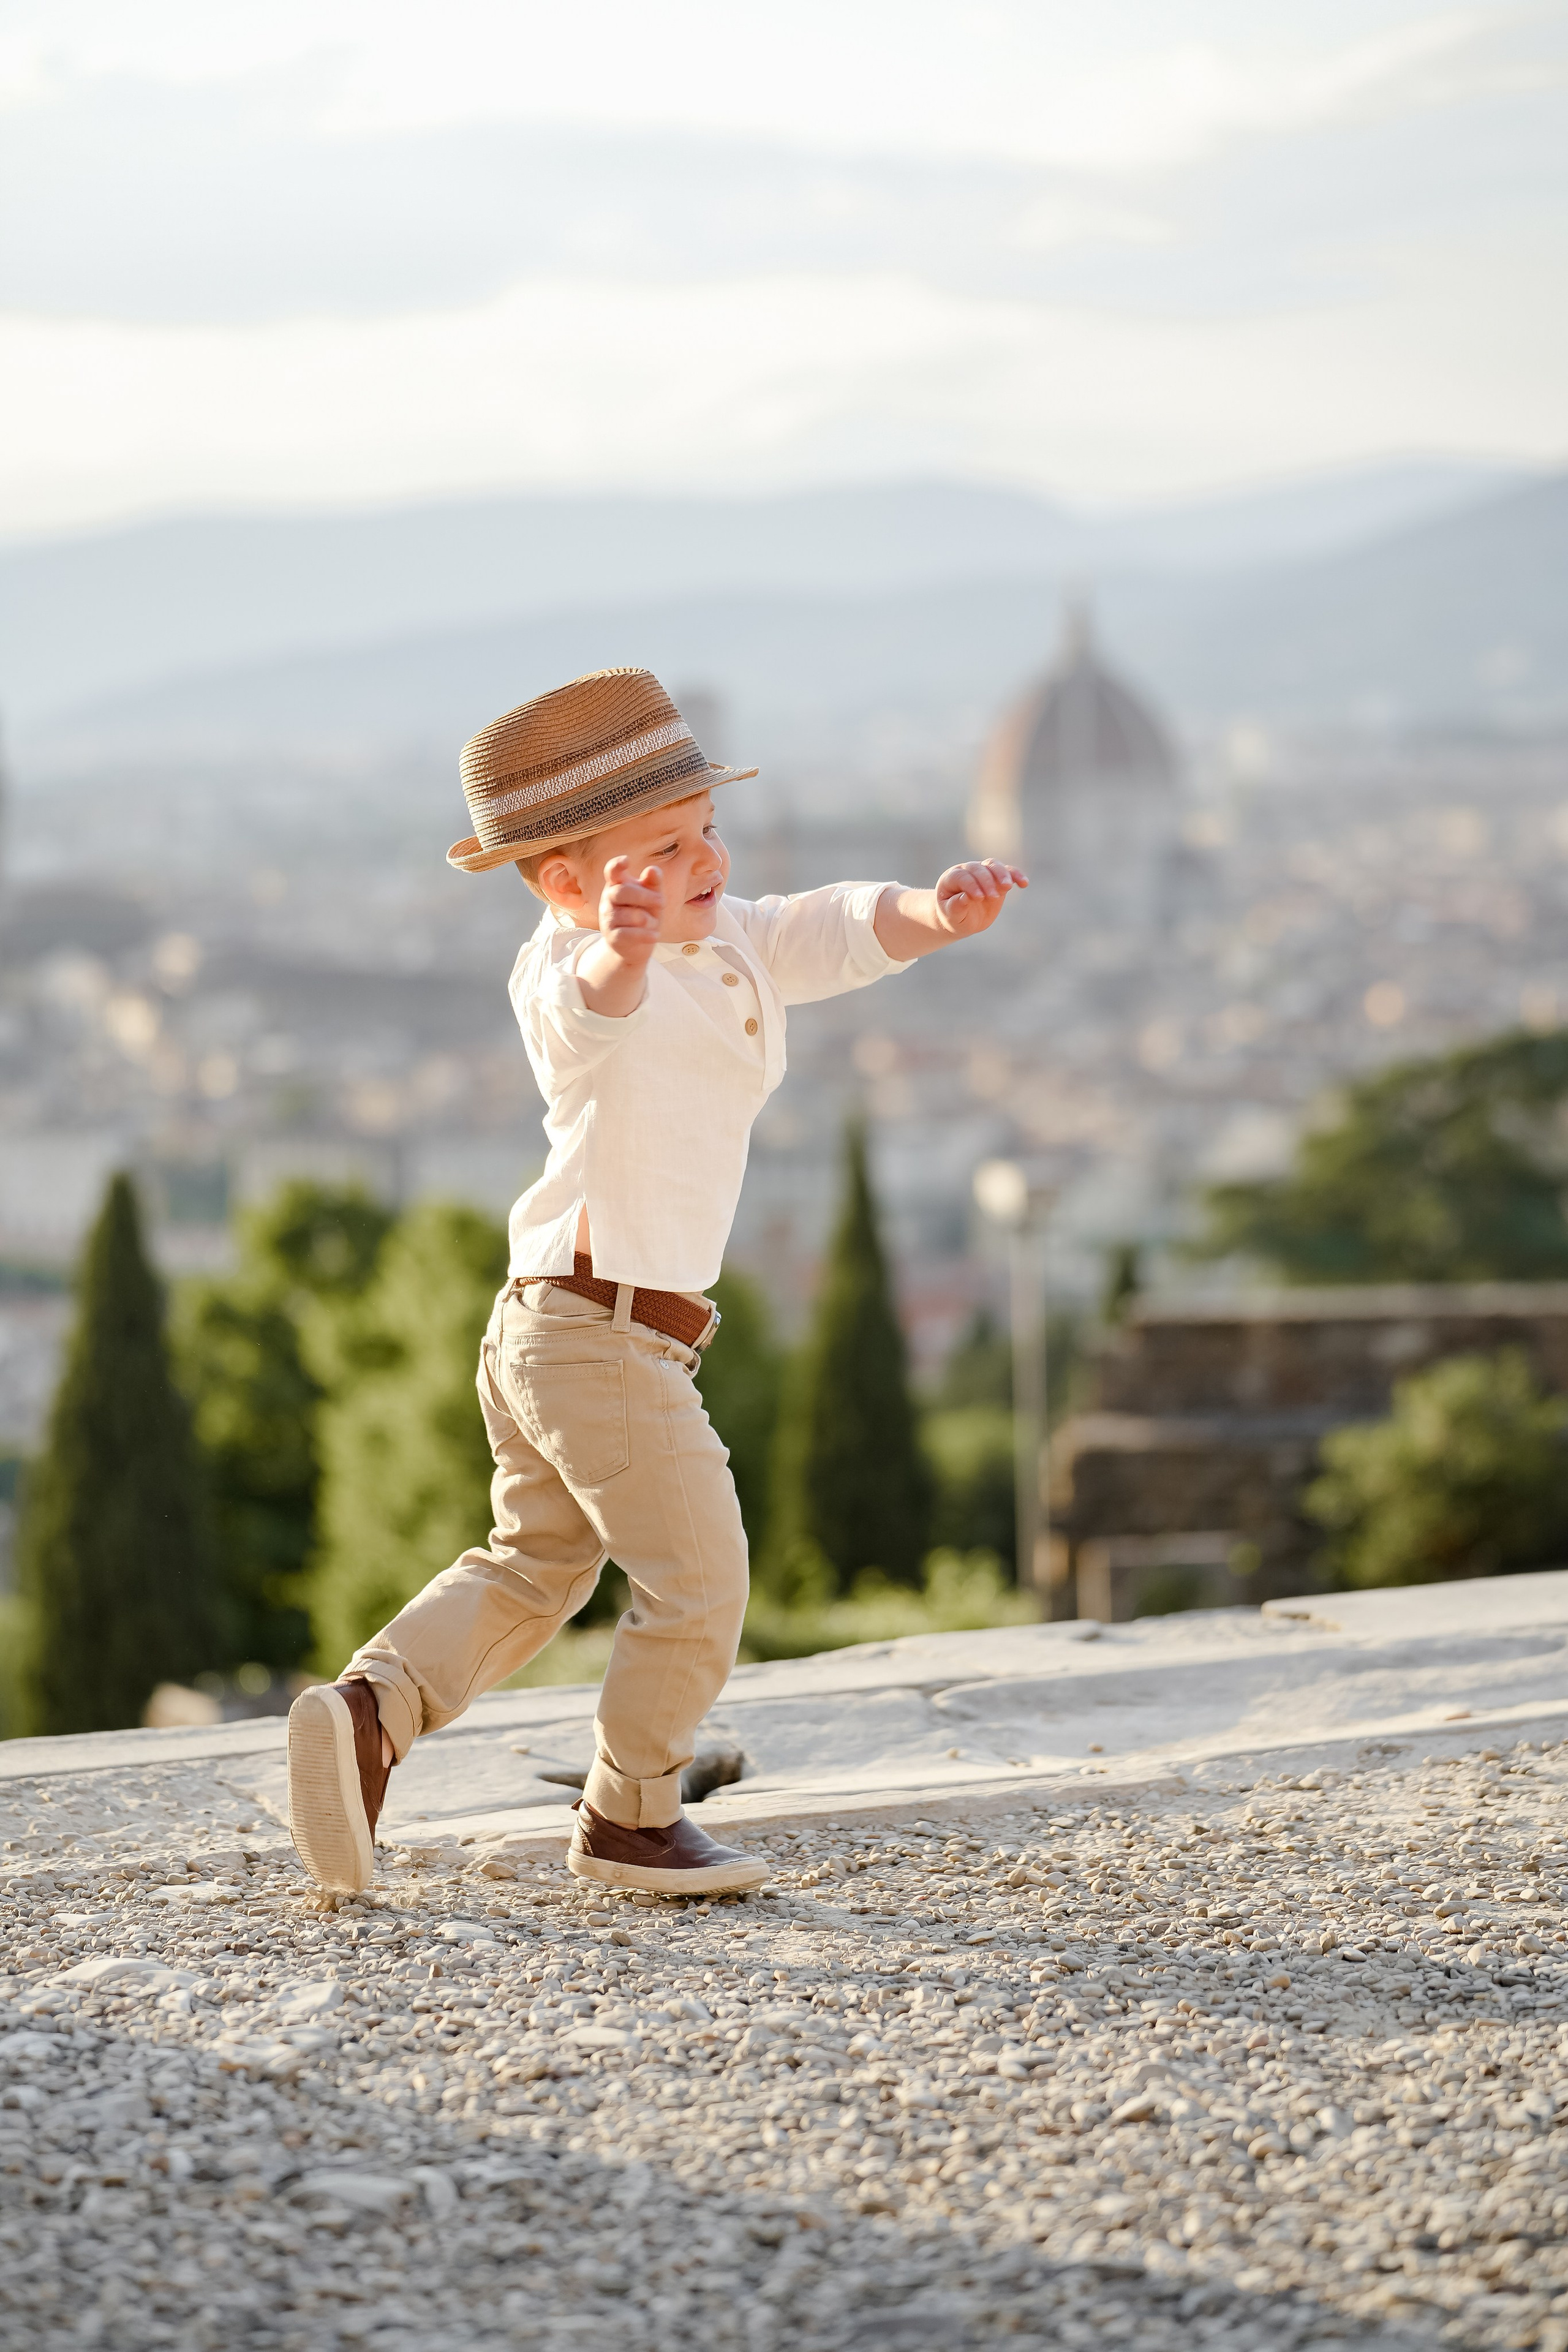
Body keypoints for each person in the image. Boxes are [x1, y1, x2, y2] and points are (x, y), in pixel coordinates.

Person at [286, 667, 1027, 1899]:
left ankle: (369, 1715)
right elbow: (586, 1016)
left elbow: (831, 927)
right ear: (566, 885)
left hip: (559, 1323)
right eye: (657, 854)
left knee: (536, 1567)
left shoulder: (728, 934)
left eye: (704, 832)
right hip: (597, 1330)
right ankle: (629, 1819)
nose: (701, 863)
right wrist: (616, 953)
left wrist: (932, 910)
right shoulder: (563, 965)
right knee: (699, 1578)